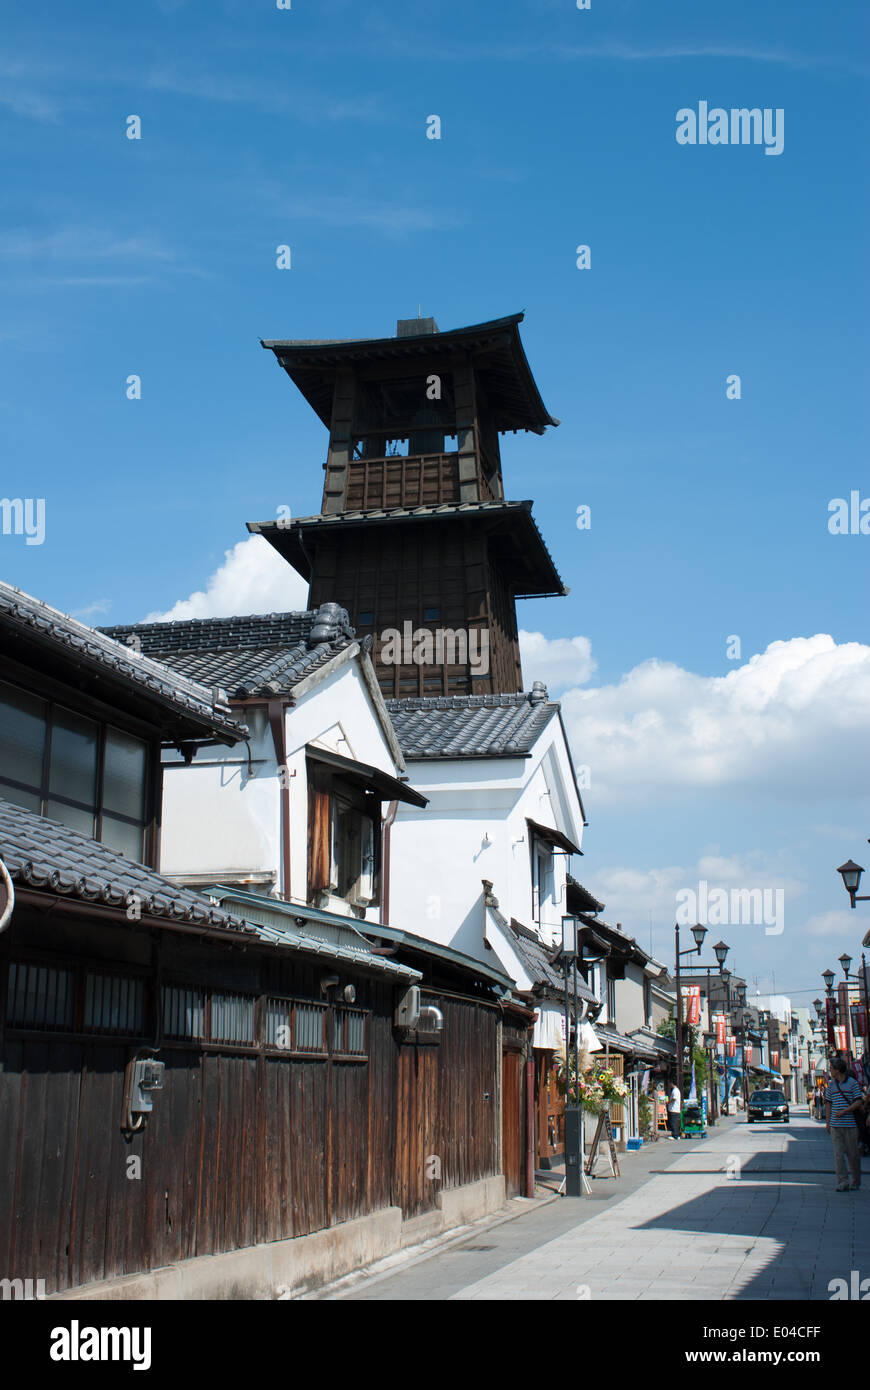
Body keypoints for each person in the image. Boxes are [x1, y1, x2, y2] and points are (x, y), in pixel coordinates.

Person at [825, 1057, 864, 1191]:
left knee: (853, 1154)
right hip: (836, 1125)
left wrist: (845, 1111)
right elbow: (828, 1104)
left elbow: (858, 1101)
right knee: (838, 1154)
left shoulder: (852, 1083)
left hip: (850, 1125)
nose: (830, 1071)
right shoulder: (831, 1085)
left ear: (837, 1070)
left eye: (831, 1068)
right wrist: (828, 1122)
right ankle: (843, 1181)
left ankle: (855, 1180)